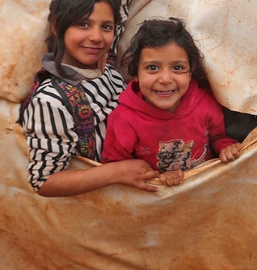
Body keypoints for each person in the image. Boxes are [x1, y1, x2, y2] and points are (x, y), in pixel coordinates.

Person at [19, 0, 160, 196]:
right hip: (110, 197)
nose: (95, 37)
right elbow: (44, 181)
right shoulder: (52, 100)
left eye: (106, 27)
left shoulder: (106, 65)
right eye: (83, 24)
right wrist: (115, 173)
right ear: (57, 26)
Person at [102, 18, 243, 186]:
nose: (165, 79)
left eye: (177, 67)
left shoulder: (205, 103)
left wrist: (226, 147)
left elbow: (218, 136)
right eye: (153, 68)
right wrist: (155, 177)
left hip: (205, 191)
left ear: (191, 72)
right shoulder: (124, 120)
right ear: (136, 73)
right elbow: (116, 169)